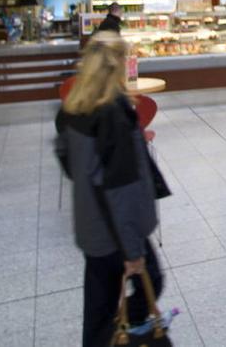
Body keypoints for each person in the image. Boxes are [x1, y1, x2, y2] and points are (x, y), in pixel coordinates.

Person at [55, 32, 162, 347]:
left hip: (90, 228)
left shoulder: (71, 108)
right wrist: (132, 251)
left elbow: (68, 162)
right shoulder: (114, 113)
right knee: (150, 281)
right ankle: (129, 336)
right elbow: (121, 189)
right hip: (116, 232)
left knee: (98, 305)